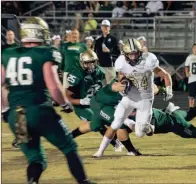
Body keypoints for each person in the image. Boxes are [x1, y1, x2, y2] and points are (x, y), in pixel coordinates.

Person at [1, 17, 91, 184]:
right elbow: (54, 86)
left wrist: (4, 110)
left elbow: (1, 84)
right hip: (39, 110)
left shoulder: (8, 54)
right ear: (39, 33)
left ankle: (32, 181)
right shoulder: (45, 52)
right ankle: (83, 181)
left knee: (36, 158)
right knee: (69, 147)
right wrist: (65, 104)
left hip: (17, 115)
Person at [93, 38, 173, 158]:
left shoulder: (148, 60)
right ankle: (100, 151)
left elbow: (165, 74)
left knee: (140, 134)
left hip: (145, 100)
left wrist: (169, 88)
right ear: (125, 54)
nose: (133, 56)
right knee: (115, 124)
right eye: (130, 54)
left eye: (135, 53)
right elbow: (121, 74)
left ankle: (147, 127)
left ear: (140, 52)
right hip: (129, 98)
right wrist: (123, 82)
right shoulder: (121, 63)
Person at [94, 19, 120, 85]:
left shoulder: (114, 39)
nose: (105, 28)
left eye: (107, 26)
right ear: (101, 27)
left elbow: (118, 53)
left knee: (111, 87)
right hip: (100, 67)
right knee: (101, 86)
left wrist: (109, 51)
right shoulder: (98, 40)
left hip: (110, 66)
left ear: (109, 27)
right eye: (104, 26)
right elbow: (95, 53)